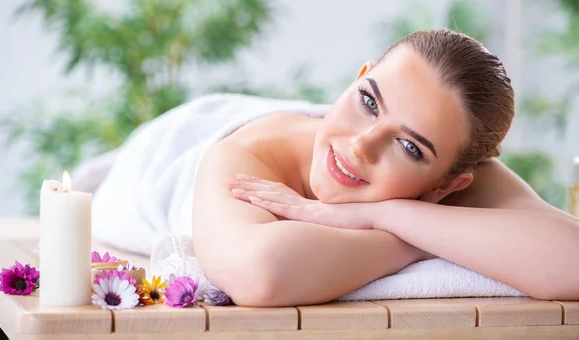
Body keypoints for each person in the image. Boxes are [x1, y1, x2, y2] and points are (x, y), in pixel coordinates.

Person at [191, 29, 579, 307]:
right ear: (359, 77)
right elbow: (258, 274)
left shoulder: (458, 172)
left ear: (446, 187)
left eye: (409, 146)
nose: (362, 143)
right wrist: (420, 238)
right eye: (369, 102)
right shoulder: (251, 151)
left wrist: (383, 214)